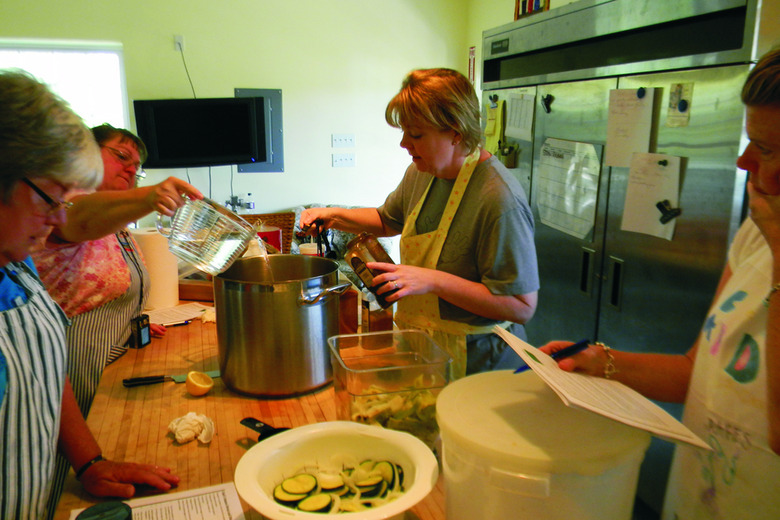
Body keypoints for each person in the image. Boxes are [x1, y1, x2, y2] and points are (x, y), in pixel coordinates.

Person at [540, 48, 780, 519]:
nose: (743, 160)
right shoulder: (755, 236)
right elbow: (697, 371)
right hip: (696, 499)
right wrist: (600, 362)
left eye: (768, 149)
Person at [0, 69, 179, 519]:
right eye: (50, 198)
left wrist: (89, 463)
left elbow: (44, 366)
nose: (57, 218)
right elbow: (79, 218)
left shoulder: (16, 265)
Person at [300, 68, 539, 379]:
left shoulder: (499, 199)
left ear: (456, 132)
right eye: (404, 132)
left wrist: (432, 281)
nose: (404, 143)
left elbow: (521, 305)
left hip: (481, 362)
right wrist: (333, 215)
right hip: (425, 346)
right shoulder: (423, 172)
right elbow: (387, 220)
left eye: (415, 135)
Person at [32, 124, 202, 416]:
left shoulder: (118, 225)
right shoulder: (59, 207)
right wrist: (149, 196)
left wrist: (131, 319)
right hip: (73, 368)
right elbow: (78, 217)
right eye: (122, 156)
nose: (132, 169)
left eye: (137, 166)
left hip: (113, 363)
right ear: (85, 154)